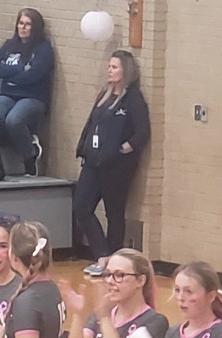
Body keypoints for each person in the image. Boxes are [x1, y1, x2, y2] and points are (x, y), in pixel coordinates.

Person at [74, 50, 150, 277]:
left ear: (126, 70)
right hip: (93, 161)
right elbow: (92, 124)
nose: (110, 70)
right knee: (81, 207)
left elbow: (142, 132)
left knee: (114, 213)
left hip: (117, 166)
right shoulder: (104, 95)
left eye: (115, 67)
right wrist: (84, 147)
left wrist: (122, 149)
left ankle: (115, 261)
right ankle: (102, 254)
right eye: (109, 66)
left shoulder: (133, 99)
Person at [0, 8, 53, 177]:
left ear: (35, 28)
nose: (23, 27)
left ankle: (30, 157)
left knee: (14, 119)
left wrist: (10, 75)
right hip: (8, 94)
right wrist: (19, 68)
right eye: (20, 23)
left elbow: (34, 75)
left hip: (33, 97)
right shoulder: (9, 45)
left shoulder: (43, 49)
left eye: (28, 24)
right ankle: (22, 141)